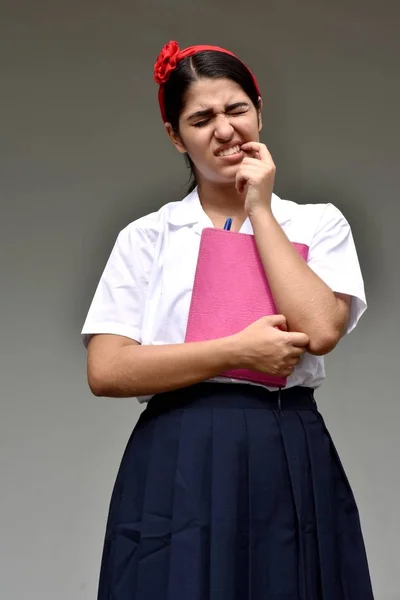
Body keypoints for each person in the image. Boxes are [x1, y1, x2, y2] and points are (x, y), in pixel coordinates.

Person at [81, 40, 374, 600]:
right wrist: (236, 352)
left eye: (236, 109)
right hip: (179, 451)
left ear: (259, 109)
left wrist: (259, 208)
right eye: (201, 118)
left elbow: (321, 330)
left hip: (283, 442)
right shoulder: (147, 237)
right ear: (174, 135)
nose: (224, 130)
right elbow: (107, 369)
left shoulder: (316, 222)